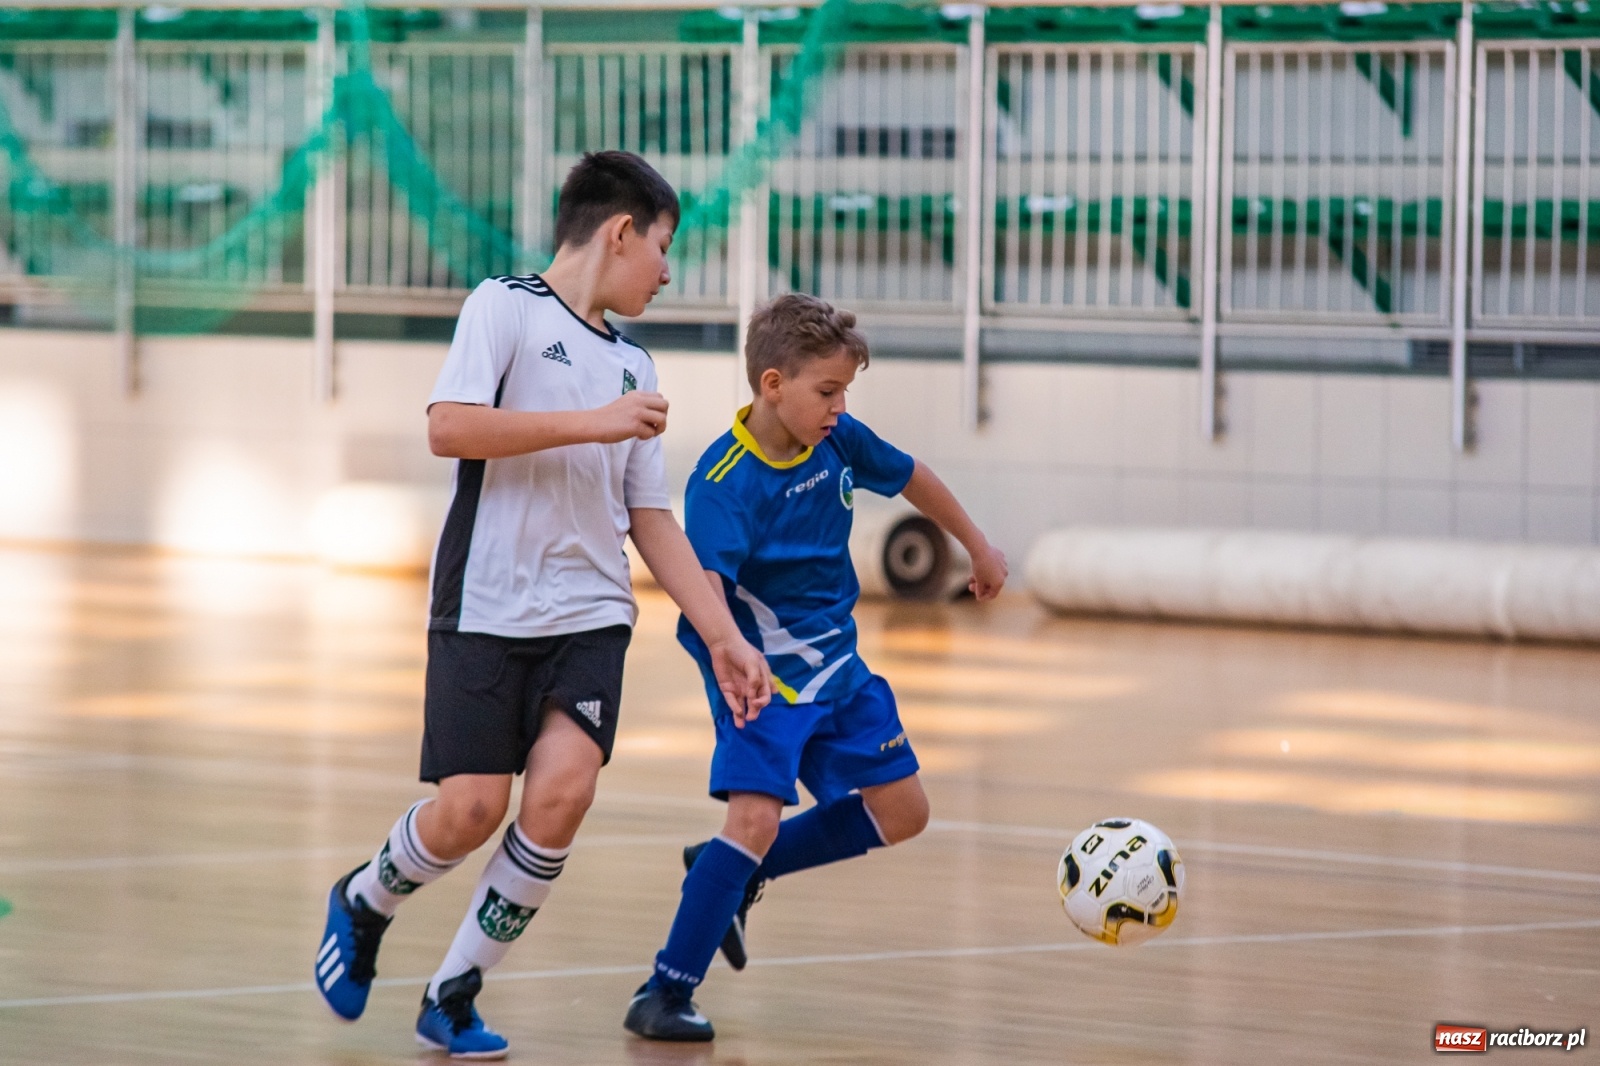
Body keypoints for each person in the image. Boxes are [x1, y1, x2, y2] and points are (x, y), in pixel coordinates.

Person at [314, 150, 771, 1060]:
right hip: (485, 607)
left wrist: (723, 634)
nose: (668, 272)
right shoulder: (504, 307)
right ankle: (366, 899)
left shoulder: (634, 364)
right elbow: (450, 427)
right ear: (621, 232)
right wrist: (592, 423)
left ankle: (454, 990)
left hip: (592, 614)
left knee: (563, 793)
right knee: (470, 811)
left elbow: (650, 518)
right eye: (665, 247)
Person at [623, 293, 1008, 1041]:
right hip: (759, 675)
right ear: (773, 385)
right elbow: (706, 591)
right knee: (754, 818)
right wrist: (730, 661)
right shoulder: (724, 483)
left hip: (839, 668)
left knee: (905, 812)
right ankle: (662, 993)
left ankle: (733, 868)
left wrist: (978, 544)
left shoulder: (837, 439)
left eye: (845, 392)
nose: (840, 407)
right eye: (828, 391)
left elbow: (911, 475)